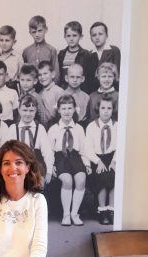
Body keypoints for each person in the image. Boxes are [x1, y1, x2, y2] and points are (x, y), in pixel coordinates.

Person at [47, 95, 88, 226]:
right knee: (67, 180)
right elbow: (49, 151)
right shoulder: (53, 129)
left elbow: (83, 149)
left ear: (74, 109)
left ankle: (74, 214)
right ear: (58, 110)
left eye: (70, 108)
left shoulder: (79, 129)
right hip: (60, 158)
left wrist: (86, 164)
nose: (67, 111)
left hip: (75, 157)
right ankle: (66, 214)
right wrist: (51, 165)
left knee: (81, 179)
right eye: (63, 108)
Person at [3, 94, 53, 181]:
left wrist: (49, 171)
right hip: (17, 162)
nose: (28, 114)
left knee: (39, 182)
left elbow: (47, 152)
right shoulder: (13, 128)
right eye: (25, 110)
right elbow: (5, 151)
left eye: (31, 110)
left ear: (36, 111)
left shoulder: (40, 128)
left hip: (35, 161)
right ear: (19, 110)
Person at [84, 96, 117, 225]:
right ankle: (102, 210)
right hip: (97, 158)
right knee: (102, 177)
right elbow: (88, 148)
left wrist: (114, 161)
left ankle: (111, 210)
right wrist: (97, 161)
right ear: (98, 109)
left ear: (113, 110)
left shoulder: (117, 126)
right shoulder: (92, 126)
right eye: (103, 108)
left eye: (109, 108)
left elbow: (120, 147)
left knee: (113, 177)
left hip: (112, 157)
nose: (106, 111)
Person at [57, 21, 95, 93]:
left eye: (74, 35)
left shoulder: (86, 55)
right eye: (68, 36)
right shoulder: (61, 54)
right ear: (64, 37)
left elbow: (89, 78)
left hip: (80, 92)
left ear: (80, 36)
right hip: (64, 92)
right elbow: (60, 76)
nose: (71, 39)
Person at [22, 16, 59, 86]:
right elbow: (24, 72)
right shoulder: (26, 51)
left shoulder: (51, 50)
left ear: (46, 30)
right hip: (31, 88)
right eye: (34, 32)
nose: (37, 35)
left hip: (47, 88)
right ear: (30, 33)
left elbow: (56, 73)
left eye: (40, 31)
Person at [37, 61, 65, 126]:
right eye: (40, 75)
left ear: (53, 74)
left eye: (45, 73)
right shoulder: (39, 94)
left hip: (56, 125)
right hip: (43, 126)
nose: (42, 77)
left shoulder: (59, 91)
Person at [0, 25, 22, 91]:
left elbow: (22, 77)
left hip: (13, 88)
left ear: (14, 42)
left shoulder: (18, 58)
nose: (4, 43)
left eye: (7, 40)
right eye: (1, 40)